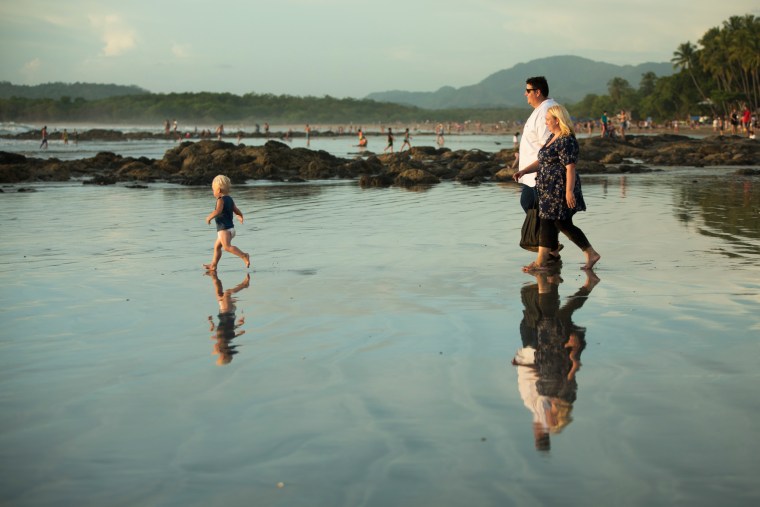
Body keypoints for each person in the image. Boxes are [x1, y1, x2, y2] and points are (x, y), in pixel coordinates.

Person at [512, 269, 599, 451]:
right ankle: (553, 279)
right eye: (542, 432)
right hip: (548, 348)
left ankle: (553, 279)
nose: (540, 427)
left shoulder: (543, 402)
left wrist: (522, 363)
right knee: (549, 312)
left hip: (539, 351)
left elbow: (538, 375)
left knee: (546, 311)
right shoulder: (562, 396)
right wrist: (574, 348)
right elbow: (573, 368)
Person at [514, 104, 601, 271]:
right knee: (551, 221)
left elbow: (570, 167)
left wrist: (568, 192)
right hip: (548, 189)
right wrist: (525, 170)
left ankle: (585, 253)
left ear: (557, 120)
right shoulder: (553, 137)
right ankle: (546, 260)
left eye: (548, 119)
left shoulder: (566, 140)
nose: (546, 122)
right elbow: (542, 161)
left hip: (560, 189)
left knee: (559, 222)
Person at [512, 76, 561, 259]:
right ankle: (551, 251)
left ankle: (549, 253)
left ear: (537, 92)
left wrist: (536, 171)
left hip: (540, 176)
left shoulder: (546, 112)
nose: (525, 94)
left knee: (540, 213)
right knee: (533, 209)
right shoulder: (541, 110)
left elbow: (549, 146)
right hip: (532, 175)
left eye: (528, 90)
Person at [204, 174, 250, 271]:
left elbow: (218, 211)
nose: (213, 192)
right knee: (217, 247)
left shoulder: (220, 200)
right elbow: (236, 210)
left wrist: (209, 217)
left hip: (224, 229)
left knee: (227, 247)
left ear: (219, 190)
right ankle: (213, 265)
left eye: (213, 190)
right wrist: (240, 216)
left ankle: (244, 255)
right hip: (230, 229)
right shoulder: (229, 199)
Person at [207, 271, 249, 365]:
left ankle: (214, 275)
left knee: (218, 292)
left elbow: (217, 330)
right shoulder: (227, 338)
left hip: (222, 311)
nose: (216, 349)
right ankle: (244, 285)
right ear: (224, 349)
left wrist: (211, 322)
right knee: (227, 293)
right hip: (228, 311)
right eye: (219, 351)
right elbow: (230, 328)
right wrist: (239, 326)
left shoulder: (219, 339)